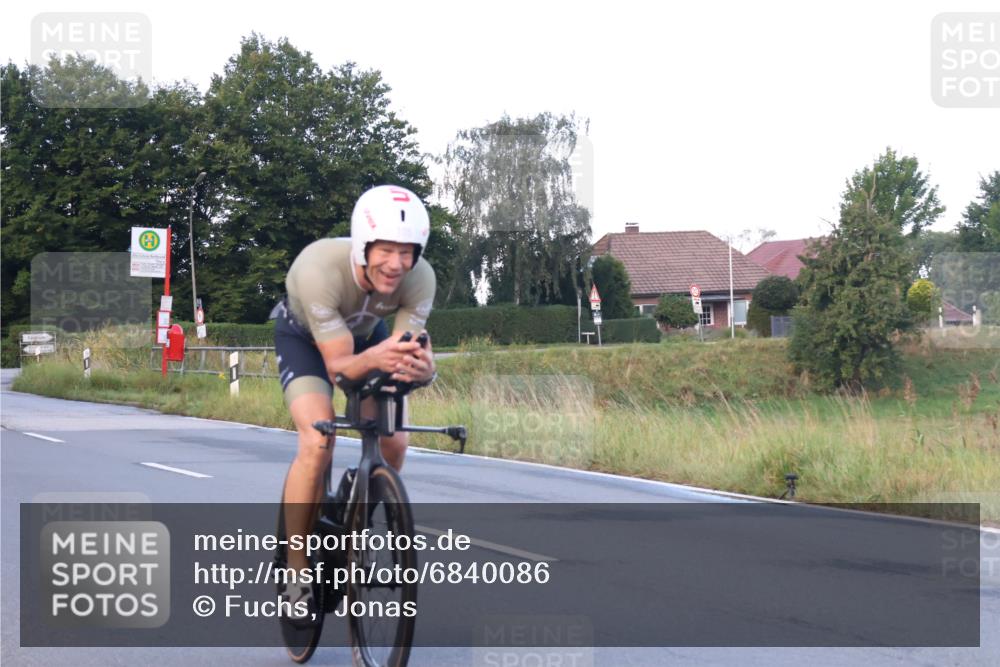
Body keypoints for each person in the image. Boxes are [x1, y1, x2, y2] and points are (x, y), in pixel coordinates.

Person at [274, 184, 437, 619]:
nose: (397, 264)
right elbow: (340, 368)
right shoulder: (318, 269)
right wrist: (380, 358)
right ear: (364, 245)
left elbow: (407, 351)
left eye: (408, 252)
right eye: (386, 250)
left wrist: (424, 370)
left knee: (395, 442)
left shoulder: (421, 278)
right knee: (317, 438)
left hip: (368, 339)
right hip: (307, 343)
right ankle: (296, 570)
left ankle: (354, 513)